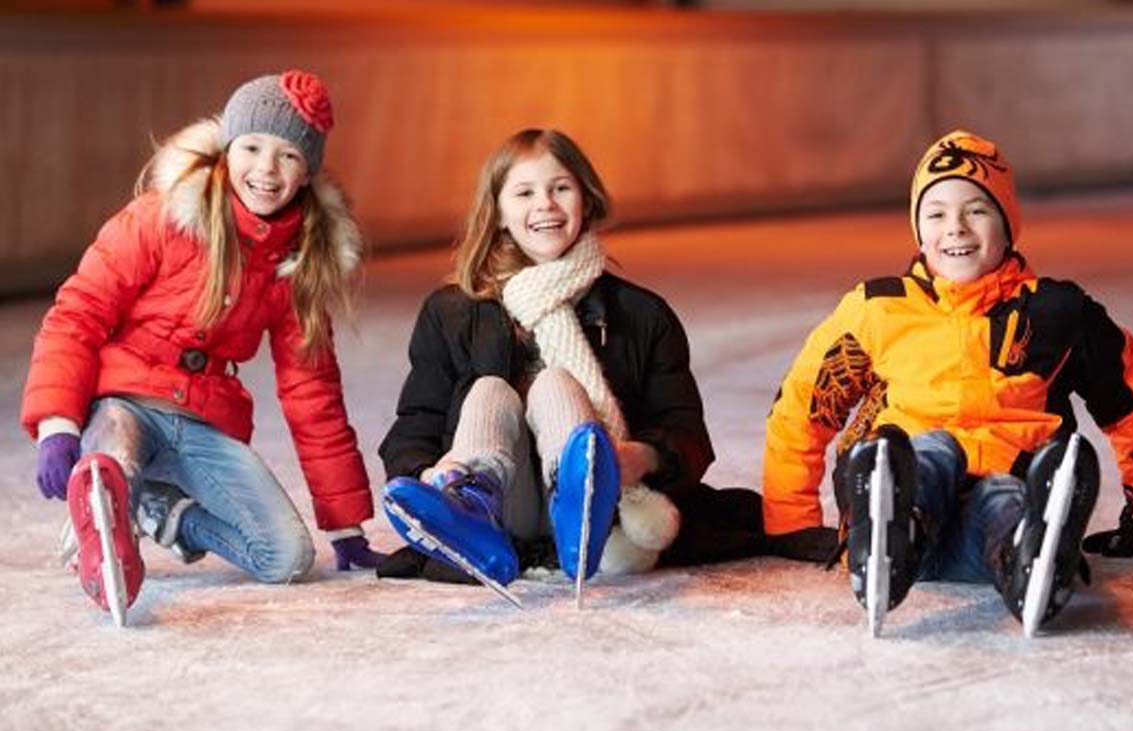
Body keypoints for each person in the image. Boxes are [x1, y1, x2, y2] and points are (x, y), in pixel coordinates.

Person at [762, 130, 1133, 634]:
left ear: (1008, 226)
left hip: (985, 531)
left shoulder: (1056, 312)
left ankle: (1028, 554)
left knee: (1001, 498)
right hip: (914, 495)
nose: (955, 228)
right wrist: (791, 519)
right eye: (936, 214)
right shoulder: (878, 309)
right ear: (917, 230)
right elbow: (806, 403)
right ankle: (892, 525)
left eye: (977, 210)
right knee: (933, 450)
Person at [22, 70, 387, 616]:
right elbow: (78, 314)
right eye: (253, 147)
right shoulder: (161, 217)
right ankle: (105, 516)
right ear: (227, 147)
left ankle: (161, 513)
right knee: (115, 454)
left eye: (289, 155)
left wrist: (346, 524)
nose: (267, 169)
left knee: (285, 557)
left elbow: (312, 392)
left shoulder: (295, 265)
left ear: (308, 172)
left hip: (200, 423)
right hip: (123, 401)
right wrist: (57, 425)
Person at [377, 128, 763, 593]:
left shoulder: (642, 315)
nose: (545, 204)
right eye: (524, 193)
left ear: (586, 199)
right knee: (489, 391)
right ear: (498, 213)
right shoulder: (452, 313)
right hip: (506, 509)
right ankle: (470, 508)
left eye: (561, 188)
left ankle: (580, 494)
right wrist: (429, 473)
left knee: (555, 383)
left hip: (604, 506)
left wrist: (639, 458)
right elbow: (415, 424)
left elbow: (686, 430)